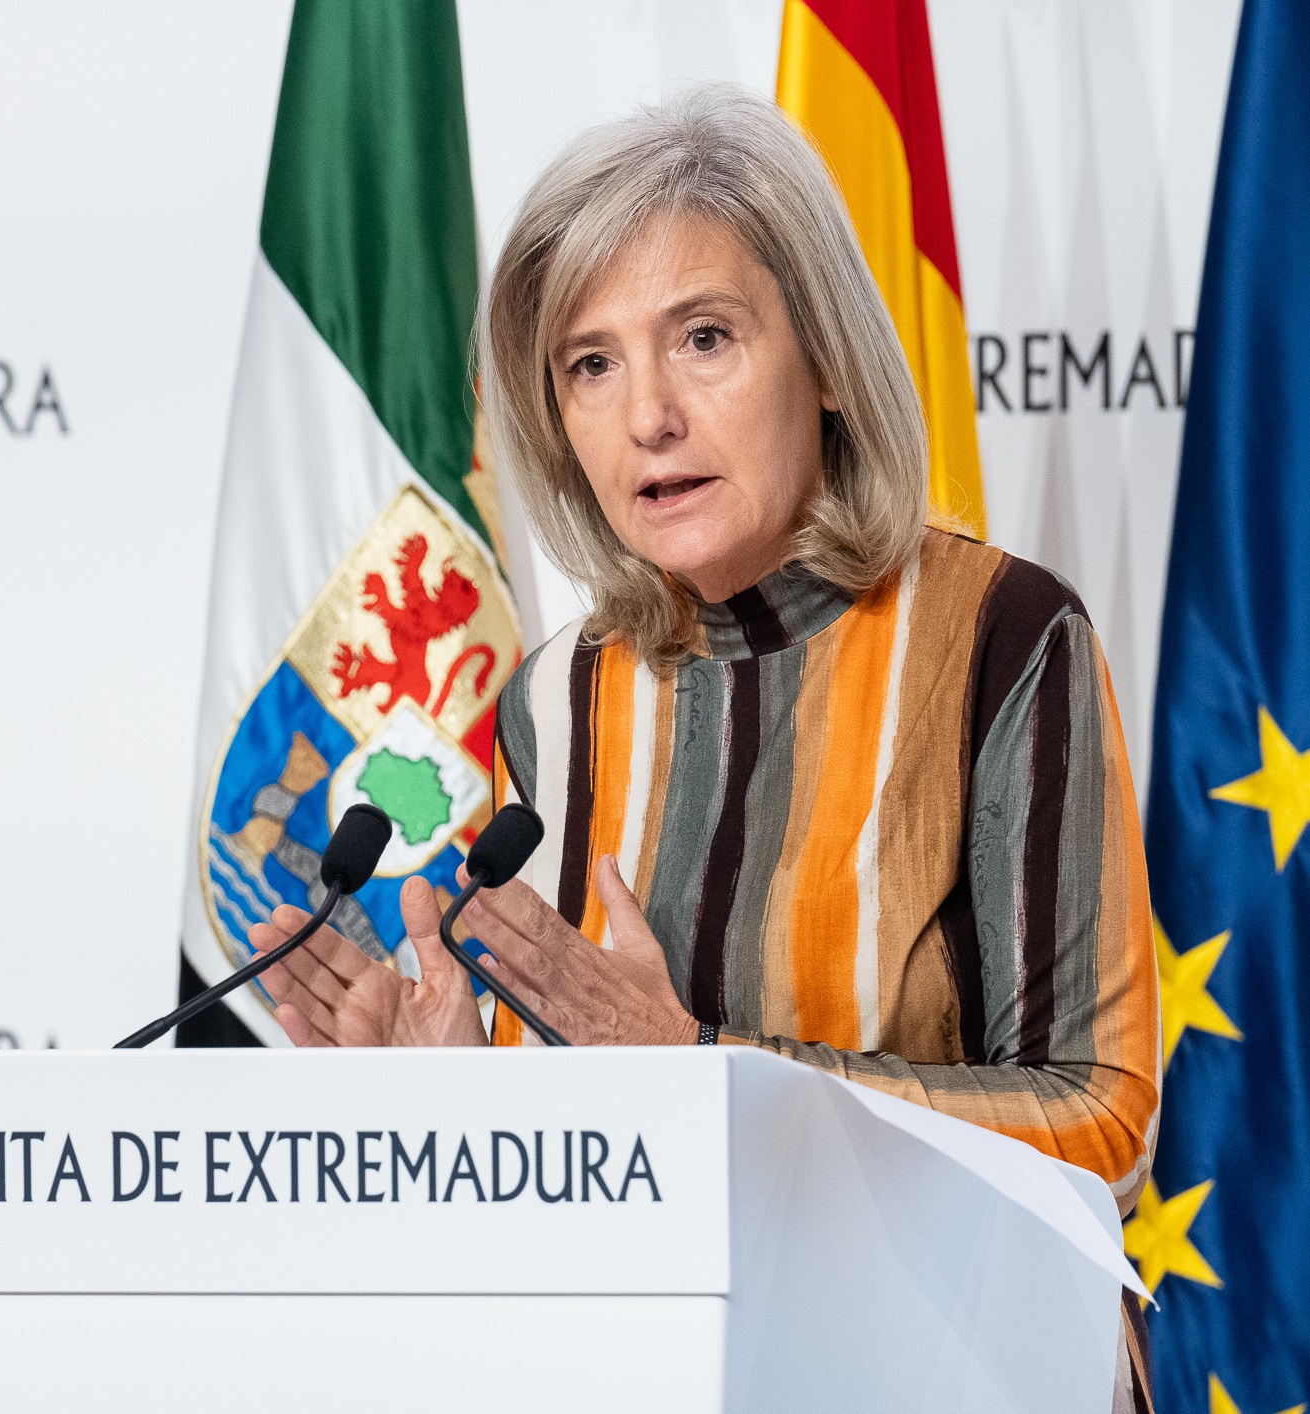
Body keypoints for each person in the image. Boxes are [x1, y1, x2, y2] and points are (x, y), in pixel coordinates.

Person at [248, 85, 1160, 1409]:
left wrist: (707, 1077)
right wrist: (450, 1097)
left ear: (828, 361)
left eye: (704, 337)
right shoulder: (552, 700)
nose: (648, 417)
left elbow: (1101, 1122)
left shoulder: (1002, 638)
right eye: (590, 364)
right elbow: (597, 1158)